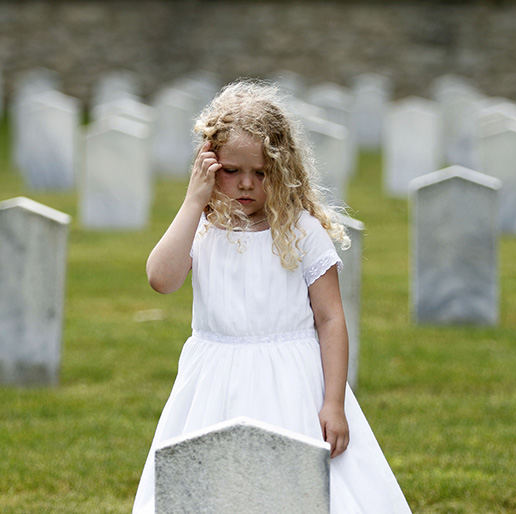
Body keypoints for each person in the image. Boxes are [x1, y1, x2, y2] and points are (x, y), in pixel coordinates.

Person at [133, 79, 410, 513]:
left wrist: (334, 402)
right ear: (208, 165)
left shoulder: (301, 231)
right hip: (213, 381)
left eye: (260, 172)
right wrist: (193, 202)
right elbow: (160, 279)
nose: (246, 184)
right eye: (231, 171)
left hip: (293, 383)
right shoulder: (201, 228)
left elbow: (331, 319)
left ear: (281, 170)